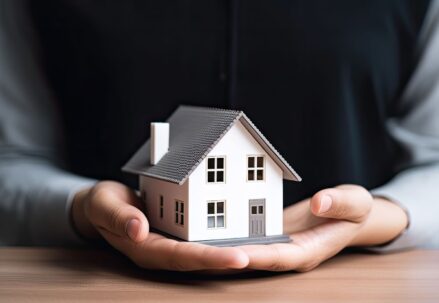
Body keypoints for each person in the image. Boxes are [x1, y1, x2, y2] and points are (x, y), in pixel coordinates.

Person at [1, 0, 438, 272]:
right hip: (98, 281)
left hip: (357, 286)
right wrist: (80, 207)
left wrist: (383, 216)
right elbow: (13, 159)